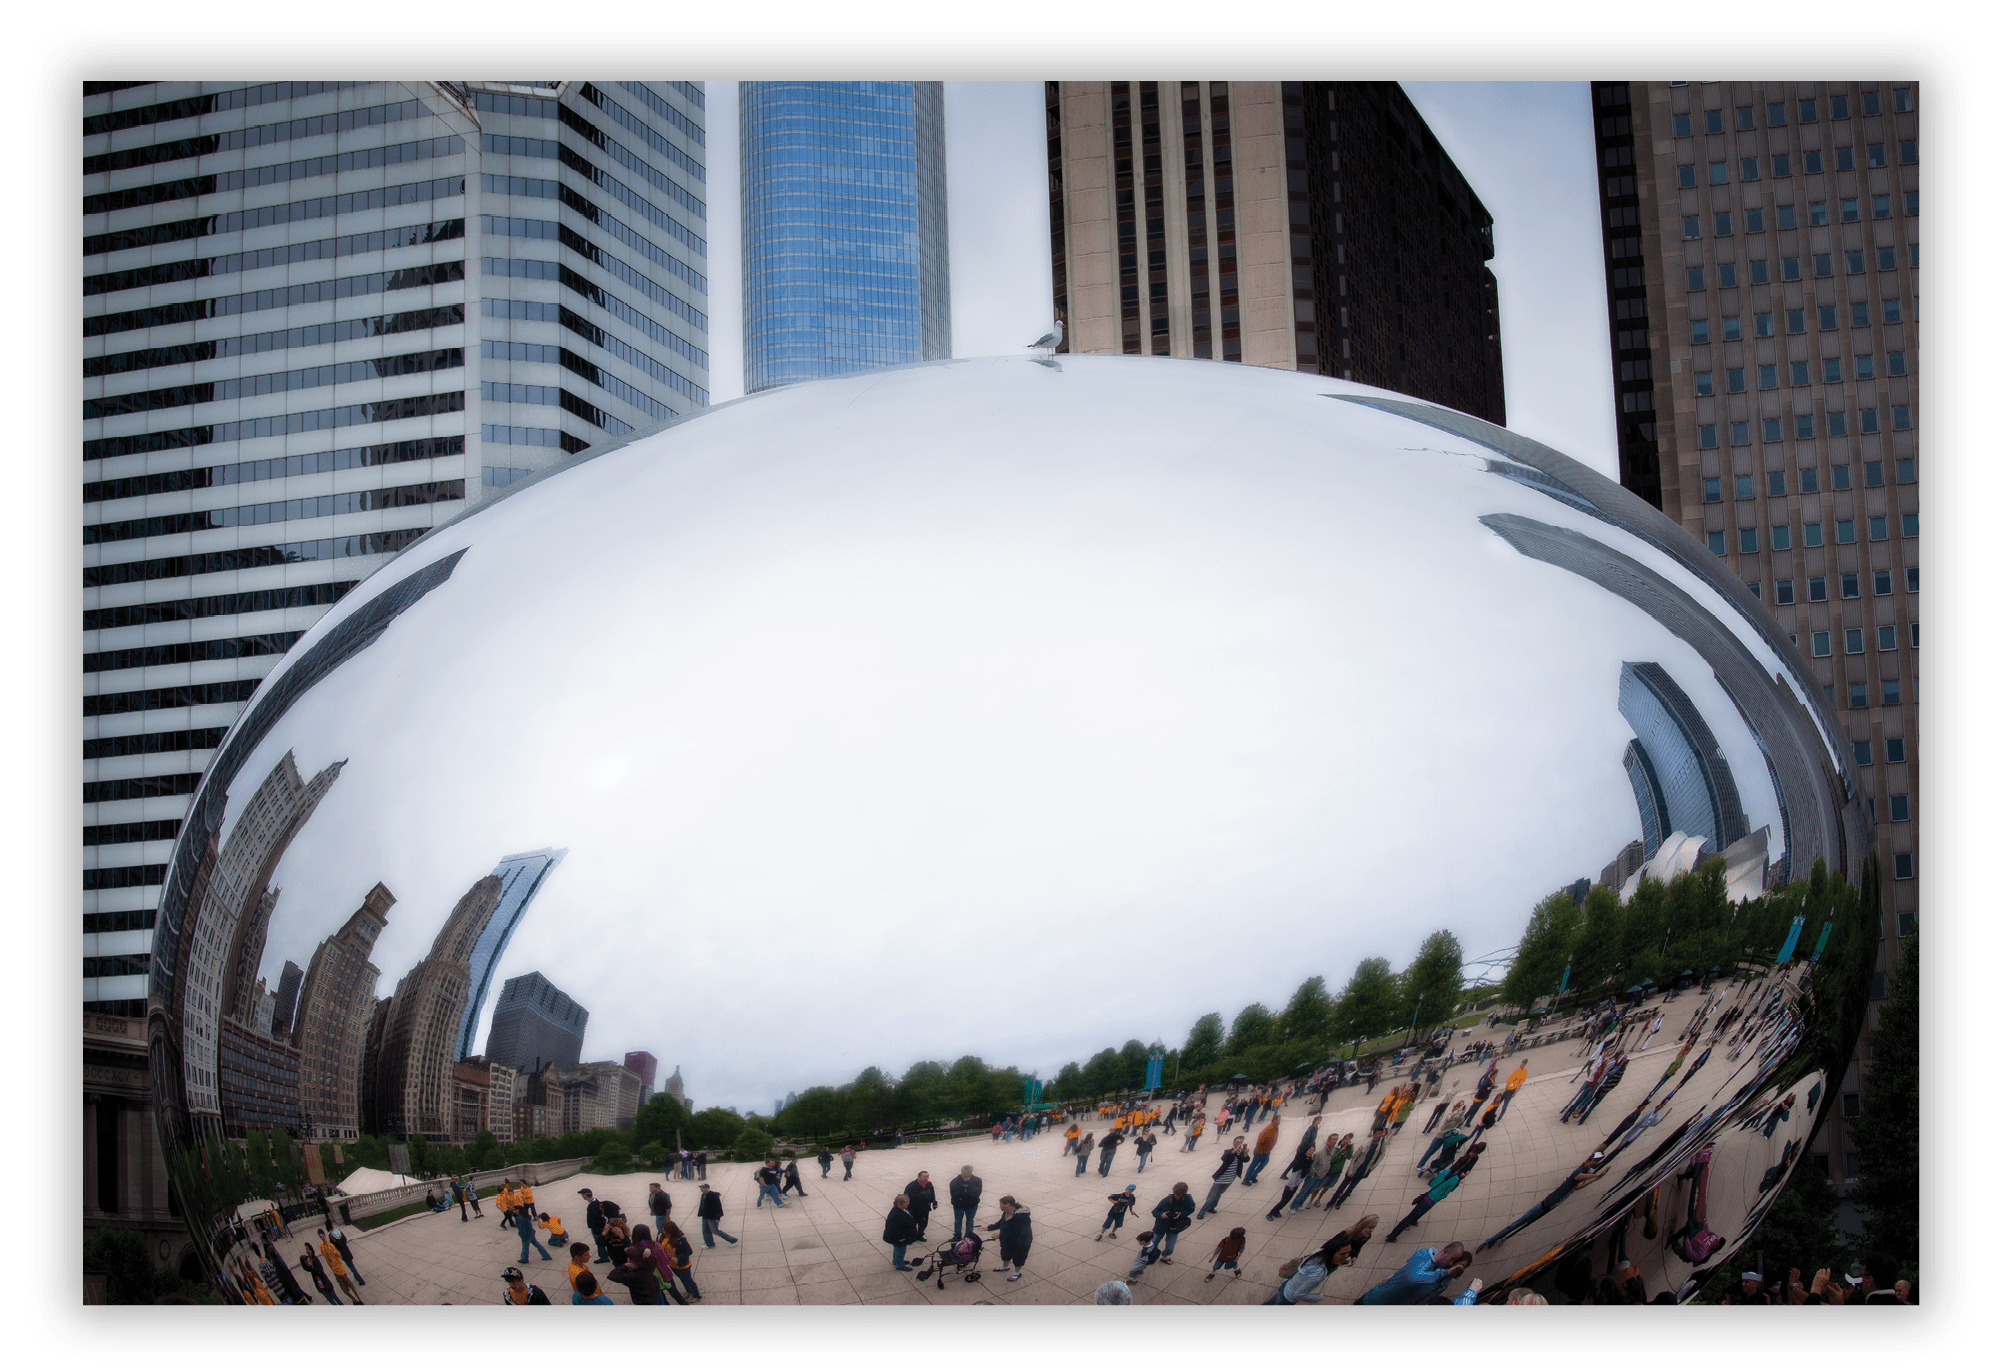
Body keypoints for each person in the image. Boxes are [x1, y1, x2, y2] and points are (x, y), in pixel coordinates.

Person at [1476, 1151, 1607, 1252]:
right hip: (1544, 1205)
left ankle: (1500, 1237)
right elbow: (1579, 1177)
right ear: (1589, 1161)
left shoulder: (1580, 1175)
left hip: (1549, 1206)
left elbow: (1578, 1187)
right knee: (1517, 1223)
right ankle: (1489, 1240)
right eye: (1593, 1163)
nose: (1592, 1166)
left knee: (1523, 1224)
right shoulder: (1578, 1172)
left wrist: (1594, 1180)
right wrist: (1596, 1175)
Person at [1385, 1146, 1484, 1242]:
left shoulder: (1446, 1171)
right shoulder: (1455, 1179)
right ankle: (1393, 1236)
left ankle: (1392, 1234)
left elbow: (1432, 1183)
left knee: (1409, 1216)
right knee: (1412, 1217)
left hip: (1427, 1196)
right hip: (1431, 1201)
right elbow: (1445, 1194)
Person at [1355, 1242, 1469, 1305]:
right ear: (1445, 1253)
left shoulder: (1441, 1277)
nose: (1451, 1263)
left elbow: (1424, 1298)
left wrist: (1449, 1276)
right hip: (1374, 1301)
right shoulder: (1425, 1255)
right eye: (1452, 1259)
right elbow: (1412, 1278)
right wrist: (1445, 1273)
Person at [1259, 1235, 1353, 1305]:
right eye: (1342, 1254)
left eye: (1348, 1252)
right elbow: (1298, 1295)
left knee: (1271, 1302)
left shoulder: (1319, 1252)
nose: (1346, 1256)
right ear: (1332, 1252)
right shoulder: (1319, 1274)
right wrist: (1317, 1298)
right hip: (1287, 1298)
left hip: (1287, 1285)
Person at [1196, 1137, 1250, 1219]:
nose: (1239, 1144)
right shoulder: (1228, 1151)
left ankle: (1211, 1208)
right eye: (1237, 1142)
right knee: (1211, 1196)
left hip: (1229, 1180)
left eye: (1241, 1142)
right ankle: (1201, 1213)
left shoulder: (1240, 1153)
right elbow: (1224, 1158)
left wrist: (1245, 1153)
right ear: (1233, 1142)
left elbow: (1246, 1160)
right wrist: (1235, 1151)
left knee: (1218, 1195)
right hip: (1220, 1179)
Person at [984, 1195, 1032, 1281]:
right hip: (1008, 1239)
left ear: (1007, 1205)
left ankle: (1017, 1273)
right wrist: (989, 1228)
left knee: (1018, 1257)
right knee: (1005, 1253)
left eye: (1001, 1206)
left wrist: (1000, 1235)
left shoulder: (1021, 1217)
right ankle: (1005, 1267)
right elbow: (1001, 1223)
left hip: (1021, 1241)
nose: (1000, 1207)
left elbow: (1019, 1232)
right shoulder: (1006, 1212)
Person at [1150, 1182, 1194, 1262]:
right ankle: (1151, 1255)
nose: (1177, 1196)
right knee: (1154, 1243)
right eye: (1176, 1194)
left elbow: (1191, 1209)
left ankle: (1164, 1256)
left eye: (1180, 1195)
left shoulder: (1188, 1199)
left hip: (1174, 1227)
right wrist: (1161, 1214)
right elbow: (1155, 1211)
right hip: (1161, 1226)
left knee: (1170, 1248)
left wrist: (1181, 1214)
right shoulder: (1166, 1200)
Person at [660, 1219, 701, 1302]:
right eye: (663, 1230)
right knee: (682, 1279)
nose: (663, 1232)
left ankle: (696, 1295)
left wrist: (678, 1258)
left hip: (683, 1265)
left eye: (665, 1230)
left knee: (688, 1280)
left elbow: (689, 1251)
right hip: (673, 1265)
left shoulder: (681, 1240)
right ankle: (689, 1291)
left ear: (671, 1230)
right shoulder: (664, 1238)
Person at [317, 1233, 364, 1304]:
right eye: (321, 1237)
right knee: (344, 1289)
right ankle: (354, 1300)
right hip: (334, 1271)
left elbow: (341, 1257)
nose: (322, 1238)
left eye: (323, 1236)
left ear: (324, 1235)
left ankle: (359, 1300)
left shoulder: (331, 1245)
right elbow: (325, 1257)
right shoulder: (321, 1246)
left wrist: (337, 1255)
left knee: (350, 1285)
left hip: (340, 1269)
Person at [693, 1182, 738, 1248]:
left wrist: (717, 1218)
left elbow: (718, 1207)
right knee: (705, 1230)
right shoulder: (703, 1195)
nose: (701, 1189)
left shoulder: (713, 1196)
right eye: (701, 1188)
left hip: (711, 1217)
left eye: (702, 1188)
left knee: (715, 1231)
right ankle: (710, 1244)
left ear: (707, 1188)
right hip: (705, 1216)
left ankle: (733, 1240)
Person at [1244, 1116, 1281, 1185]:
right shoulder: (1269, 1128)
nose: (1279, 1121)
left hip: (1267, 1151)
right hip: (1260, 1151)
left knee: (1264, 1163)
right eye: (1279, 1120)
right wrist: (1260, 1150)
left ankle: (1253, 1175)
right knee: (1254, 1165)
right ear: (1274, 1120)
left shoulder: (1275, 1128)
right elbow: (1260, 1138)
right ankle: (1246, 1180)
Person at [949, 1165, 983, 1240]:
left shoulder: (977, 1180)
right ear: (961, 1172)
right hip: (958, 1206)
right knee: (958, 1221)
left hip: (971, 1205)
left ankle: (968, 1236)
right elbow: (953, 1193)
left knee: (970, 1221)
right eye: (965, 1173)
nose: (966, 1174)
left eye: (969, 1172)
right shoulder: (954, 1181)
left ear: (971, 1172)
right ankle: (957, 1236)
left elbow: (978, 1192)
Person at [904, 1171, 938, 1240]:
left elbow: (932, 1194)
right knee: (913, 1223)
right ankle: (912, 1236)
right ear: (919, 1177)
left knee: (923, 1223)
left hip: (925, 1208)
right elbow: (905, 1196)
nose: (926, 1178)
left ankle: (920, 1235)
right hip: (914, 1208)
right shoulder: (911, 1186)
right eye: (924, 1177)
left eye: (927, 1177)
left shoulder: (929, 1184)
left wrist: (934, 1202)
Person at [581, 1188, 610, 1262]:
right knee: (602, 1241)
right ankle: (606, 1255)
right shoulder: (596, 1202)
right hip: (600, 1227)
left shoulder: (592, 1206)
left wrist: (596, 1231)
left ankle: (604, 1257)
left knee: (599, 1242)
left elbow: (596, 1219)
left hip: (597, 1228)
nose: (582, 1196)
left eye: (582, 1194)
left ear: (585, 1195)